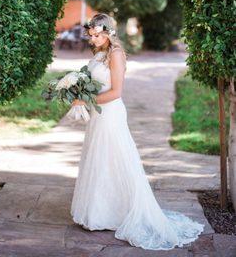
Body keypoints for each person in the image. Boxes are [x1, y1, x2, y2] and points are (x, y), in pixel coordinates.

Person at [70, 12, 205, 250]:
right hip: (98, 117)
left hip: (110, 114)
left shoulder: (116, 54)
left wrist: (85, 100)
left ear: (109, 33)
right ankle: (99, 210)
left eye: (97, 35)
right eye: (91, 36)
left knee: (114, 158)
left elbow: (115, 93)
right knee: (99, 159)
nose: (93, 40)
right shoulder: (99, 54)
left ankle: (116, 213)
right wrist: (77, 92)